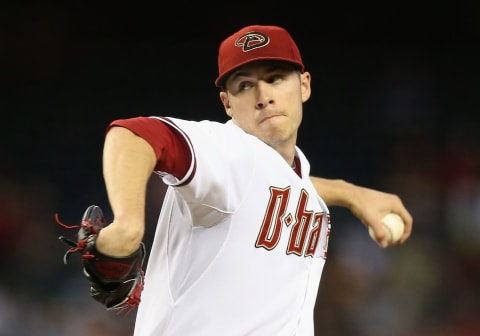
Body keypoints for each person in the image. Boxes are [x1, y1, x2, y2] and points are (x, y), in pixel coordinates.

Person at [92, 25, 412, 335]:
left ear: (303, 85)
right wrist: (127, 225)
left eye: (275, 78)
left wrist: (348, 192)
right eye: (245, 85)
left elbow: (276, 184)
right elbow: (134, 135)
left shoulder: (277, 174)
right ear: (227, 104)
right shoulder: (229, 150)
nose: (263, 96)